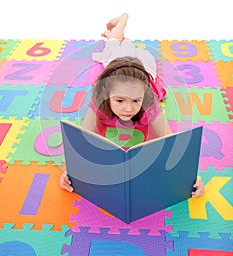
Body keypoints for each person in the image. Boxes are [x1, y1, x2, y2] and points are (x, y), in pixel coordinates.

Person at [60, 13, 205, 198]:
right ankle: (122, 21)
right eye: (120, 101)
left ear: (144, 96)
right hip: (116, 63)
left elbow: (170, 142)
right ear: (106, 95)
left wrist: (193, 179)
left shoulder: (148, 101)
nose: (128, 109)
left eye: (136, 101)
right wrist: (68, 173)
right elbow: (82, 139)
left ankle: (125, 37)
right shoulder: (100, 98)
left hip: (145, 64)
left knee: (122, 47)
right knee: (112, 45)